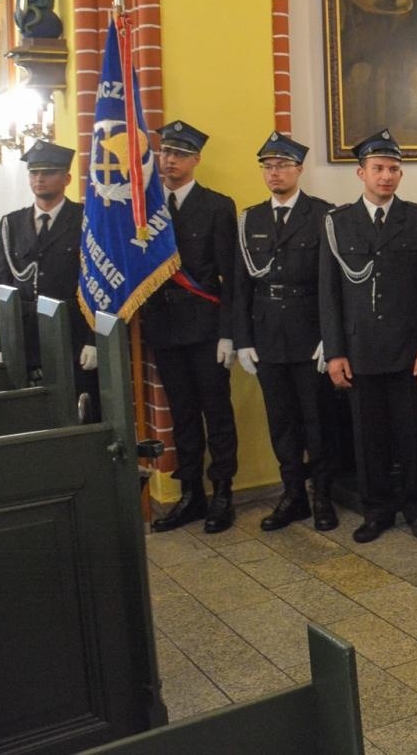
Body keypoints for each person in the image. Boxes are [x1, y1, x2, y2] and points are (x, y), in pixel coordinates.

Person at [320, 129, 417, 543]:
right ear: (361, 173)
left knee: (413, 436)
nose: (386, 176)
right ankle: (376, 512)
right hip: (359, 350)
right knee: (367, 438)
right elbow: (329, 294)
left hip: (409, 349)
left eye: (393, 169)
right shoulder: (338, 223)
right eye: (378, 169)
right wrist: (335, 352)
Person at [232, 132, 339, 533]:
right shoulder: (250, 219)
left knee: (318, 420)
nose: (274, 173)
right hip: (266, 336)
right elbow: (240, 286)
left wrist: (332, 337)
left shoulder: (323, 215)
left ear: (299, 169)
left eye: (282, 165)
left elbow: (332, 284)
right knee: (281, 421)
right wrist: (242, 339)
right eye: (267, 166)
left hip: (310, 334)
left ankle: (322, 496)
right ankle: (293, 494)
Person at [142, 121, 239, 534]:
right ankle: (191, 495)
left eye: (180, 154)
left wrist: (230, 333)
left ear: (196, 160)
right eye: (166, 153)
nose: (170, 160)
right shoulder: (146, 209)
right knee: (182, 414)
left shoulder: (217, 206)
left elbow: (231, 276)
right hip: (163, 327)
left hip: (205, 327)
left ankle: (222, 493)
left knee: (216, 411)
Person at [0, 140, 97, 408]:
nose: (39, 179)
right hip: (27, 338)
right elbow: (3, 285)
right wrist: (1, 340)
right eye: (34, 172)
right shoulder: (11, 224)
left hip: (72, 333)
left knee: (80, 408)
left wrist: (93, 339)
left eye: (49, 172)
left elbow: (98, 285)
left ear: (67, 177)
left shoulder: (85, 219)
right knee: (33, 411)